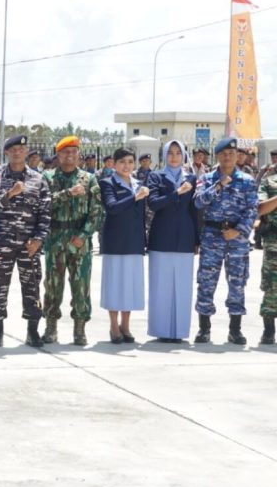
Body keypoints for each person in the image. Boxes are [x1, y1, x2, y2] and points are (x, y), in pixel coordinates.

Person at [0, 135, 51, 347]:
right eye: (13, 149)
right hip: (2, 243)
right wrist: (9, 194)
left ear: (26, 152)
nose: (17, 152)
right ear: (6, 152)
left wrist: (39, 240)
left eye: (21, 149)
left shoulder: (38, 180)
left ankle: (33, 331)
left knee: (32, 287)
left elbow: (45, 213)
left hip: (28, 245)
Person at [193, 137, 258, 344]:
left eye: (232, 153)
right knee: (206, 282)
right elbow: (198, 201)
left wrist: (239, 231)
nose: (228, 157)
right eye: (224, 154)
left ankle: (235, 329)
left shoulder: (247, 180)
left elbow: (252, 209)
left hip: (237, 239)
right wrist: (218, 186)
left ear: (237, 155)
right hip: (212, 236)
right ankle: (204, 328)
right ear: (218, 156)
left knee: (237, 282)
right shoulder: (207, 178)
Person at [42, 136, 103, 346]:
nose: (70, 156)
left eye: (74, 152)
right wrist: (67, 194)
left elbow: (96, 212)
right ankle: (50, 327)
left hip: (79, 240)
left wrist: (84, 235)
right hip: (55, 239)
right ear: (58, 155)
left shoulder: (89, 179)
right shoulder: (48, 178)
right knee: (52, 285)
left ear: (79, 155)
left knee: (81, 285)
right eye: (65, 152)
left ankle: (79, 329)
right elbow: (43, 205)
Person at [146, 140, 199, 344]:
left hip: (184, 237)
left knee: (183, 286)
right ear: (164, 155)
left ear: (184, 155)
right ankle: (161, 330)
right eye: (170, 153)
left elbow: (194, 211)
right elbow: (154, 203)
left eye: (178, 153)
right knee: (161, 285)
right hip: (161, 236)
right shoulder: (156, 176)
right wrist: (176, 192)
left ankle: (179, 331)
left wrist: (196, 238)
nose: (174, 156)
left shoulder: (191, 178)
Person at [98, 148, 148, 344]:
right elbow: (112, 207)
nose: (126, 166)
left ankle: (126, 325)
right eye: (122, 162)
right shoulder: (107, 183)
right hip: (116, 241)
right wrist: (134, 197)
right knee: (115, 284)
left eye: (130, 161)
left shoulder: (138, 184)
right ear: (114, 163)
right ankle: (113, 325)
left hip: (134, 241)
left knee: (130, 285)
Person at [257, 163, 277, 344]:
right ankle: (269, 330)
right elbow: (261, 208)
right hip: (274, 242)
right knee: (272, 286)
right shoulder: (268, 183)